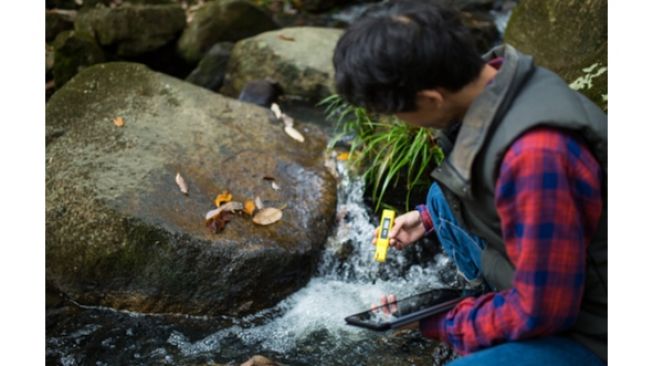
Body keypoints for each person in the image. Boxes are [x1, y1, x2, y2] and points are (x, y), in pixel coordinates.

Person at [332, 1, 607, 365]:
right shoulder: (505, 78)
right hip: (564, 283)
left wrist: (447, 322)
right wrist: (428, 217)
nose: (400, 122)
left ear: (431, 98)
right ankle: (482, 305)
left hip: (597, 329)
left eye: (397, 113)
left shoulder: (536, 156)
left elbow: (543, 310)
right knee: (440, 198)